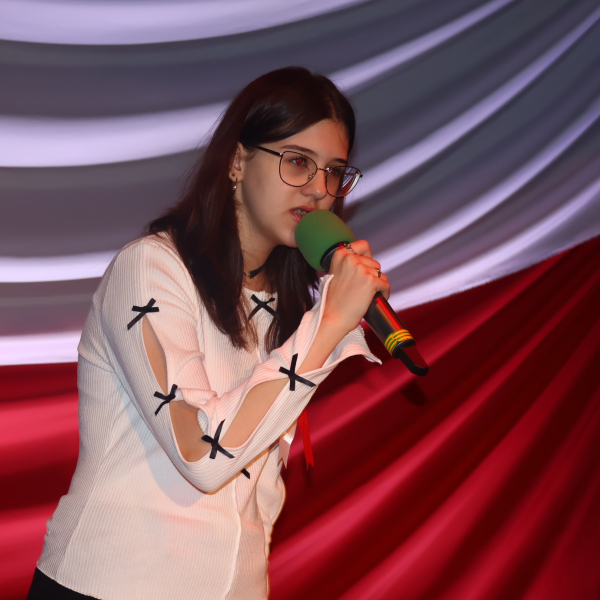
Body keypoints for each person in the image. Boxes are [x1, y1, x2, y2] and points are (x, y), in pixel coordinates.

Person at [28, 66, 389, 600]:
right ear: (237, 161)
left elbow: (255, 496)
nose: (319, 190)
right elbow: (202, 455)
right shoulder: (151, 269)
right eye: (298, 161)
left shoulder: (289, 311)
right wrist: (329, 324)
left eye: (334, 172)